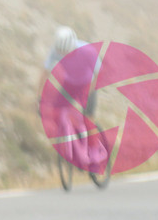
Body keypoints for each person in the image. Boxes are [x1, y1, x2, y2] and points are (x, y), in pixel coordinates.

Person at [39, 26, 108, 175]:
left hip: (88, 83)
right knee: (57, 112)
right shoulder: (54, 51)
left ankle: (94, 154)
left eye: (67, 52)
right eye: (61, 53)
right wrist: (40, 98)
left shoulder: (87, 50)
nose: (64, 55)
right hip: (70, 84)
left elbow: (100, 74)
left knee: (88, 118)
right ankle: (75, 140)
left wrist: (89, 92)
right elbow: (45, 74)